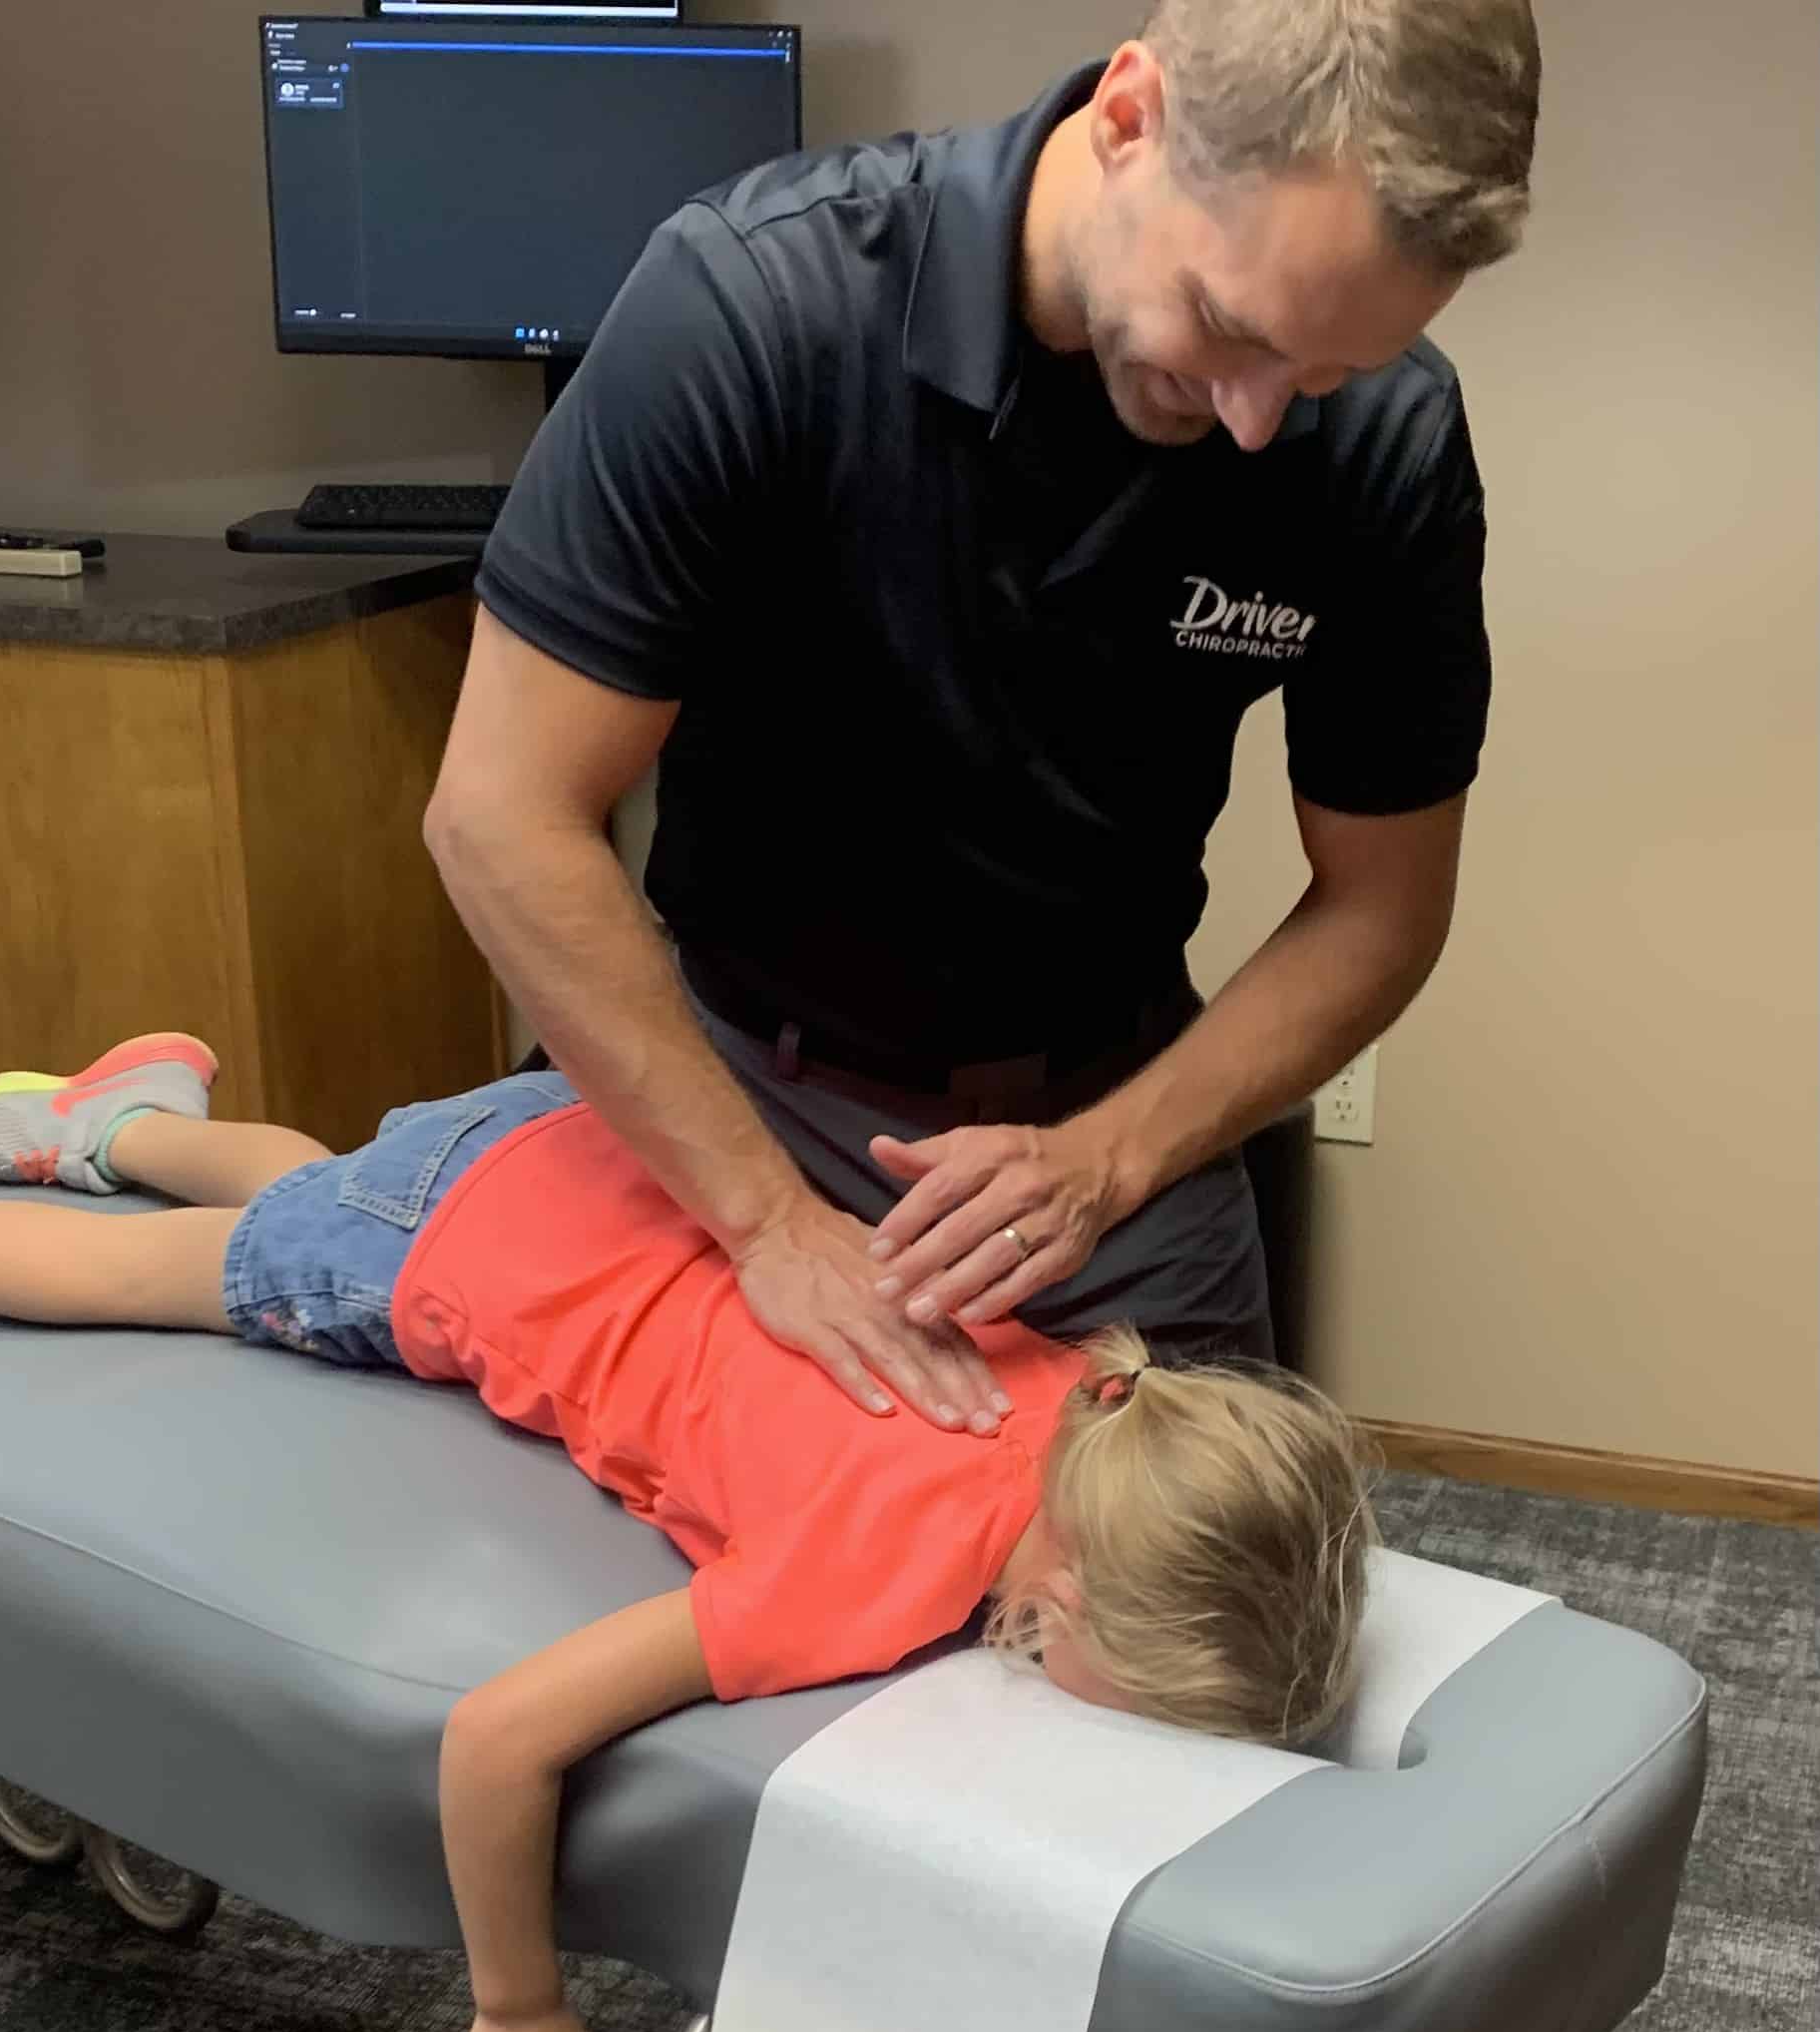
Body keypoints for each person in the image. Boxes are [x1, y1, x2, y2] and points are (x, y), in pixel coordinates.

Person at [0, 1037, 1381, 2032]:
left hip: (581, 1138)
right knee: (170, 1279)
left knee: (330, 1191)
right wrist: (520, 2007)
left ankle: (120, 1121)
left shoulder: (1083, 1380)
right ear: (1073, 1596)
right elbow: (498, 1737)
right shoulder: (865, 1580)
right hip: (458, 1254)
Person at [424, 0, 1542, 1447]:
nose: (1260, 417)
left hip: (1110, 1131)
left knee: (1207, 1631)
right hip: (738, 1102)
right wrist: (765, 1225)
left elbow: (1379, 910)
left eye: (1321, 371)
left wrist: (1101, 1161)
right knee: (737, 1596)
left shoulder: (1384, 441)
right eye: (1226, 327)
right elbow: (501, 816)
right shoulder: (758, 303)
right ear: (1131, 117)